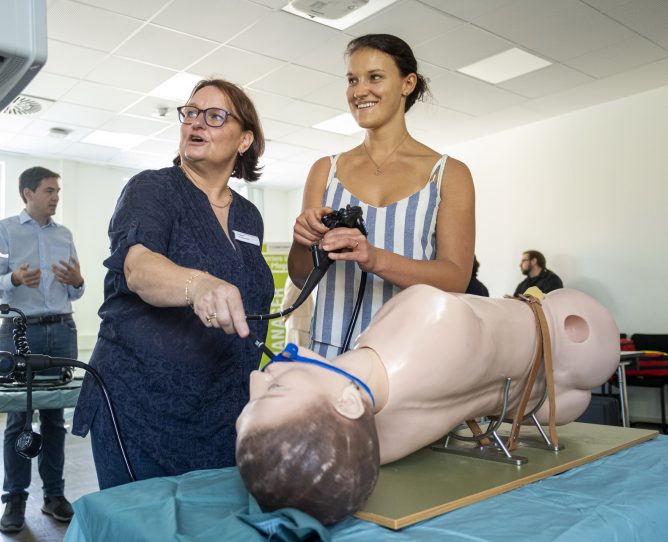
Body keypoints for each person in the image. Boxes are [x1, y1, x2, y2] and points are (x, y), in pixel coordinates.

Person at [235, 284, 620, 524]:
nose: (258, 377)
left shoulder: (379, 447)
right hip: (570, 333)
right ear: (346, 403)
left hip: (548, 396)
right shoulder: (427, 319)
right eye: (274, 392)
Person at [71, 79, 274, 489]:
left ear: (244, 139)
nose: (197, 123)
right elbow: (138, 267)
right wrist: (196, 285)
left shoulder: (249, 216)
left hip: (221, 406)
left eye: (215, 116)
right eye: (190, 113)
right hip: (144, 403)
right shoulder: (153, 188)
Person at [288, 34, 475, 359]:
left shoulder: (449, 174)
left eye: (374, 77)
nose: (359, 91)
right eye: (352, 80)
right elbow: (302, 276)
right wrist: (302, 240)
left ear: (407, 83)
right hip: (331, 356)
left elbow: (456, 278)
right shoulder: (325, 170)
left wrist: (375, 259)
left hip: (411, 359)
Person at [0, 166, 85, 533]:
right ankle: (14, 499)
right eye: (49, 190)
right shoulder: (3, 231)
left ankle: (54, 496)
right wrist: (14, 278)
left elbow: (76, 290)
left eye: (57, 191)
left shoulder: (65, 234)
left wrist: (78, 281)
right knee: (18, 419)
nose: (56, 197)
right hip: (19, 332)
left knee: (55, 420)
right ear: (28, 193)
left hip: (61, 330)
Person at [280, 277, 314, 346]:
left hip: (296, 325)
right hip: (305, 324)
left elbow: (288, 301)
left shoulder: (294, 277)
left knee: (294, 355)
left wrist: (284, 315)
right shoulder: (307, 276)